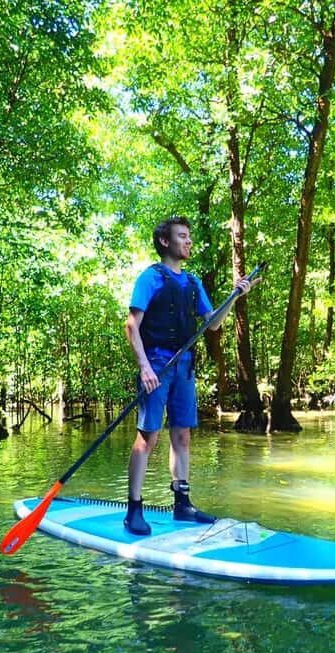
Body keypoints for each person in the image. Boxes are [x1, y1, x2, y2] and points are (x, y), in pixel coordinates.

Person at [123, 216, 260, 535]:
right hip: (157, 365)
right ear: (165, 242)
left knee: (182, 435)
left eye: (189, 236)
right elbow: (132, 325)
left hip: (184, 366)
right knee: (148, 436)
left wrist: (235, 296)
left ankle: (182, 504)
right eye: (182, 236)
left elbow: (213, 323)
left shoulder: (193, 282)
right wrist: (144, 367)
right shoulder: (150, 278)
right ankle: (134, 509)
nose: (189, 241)